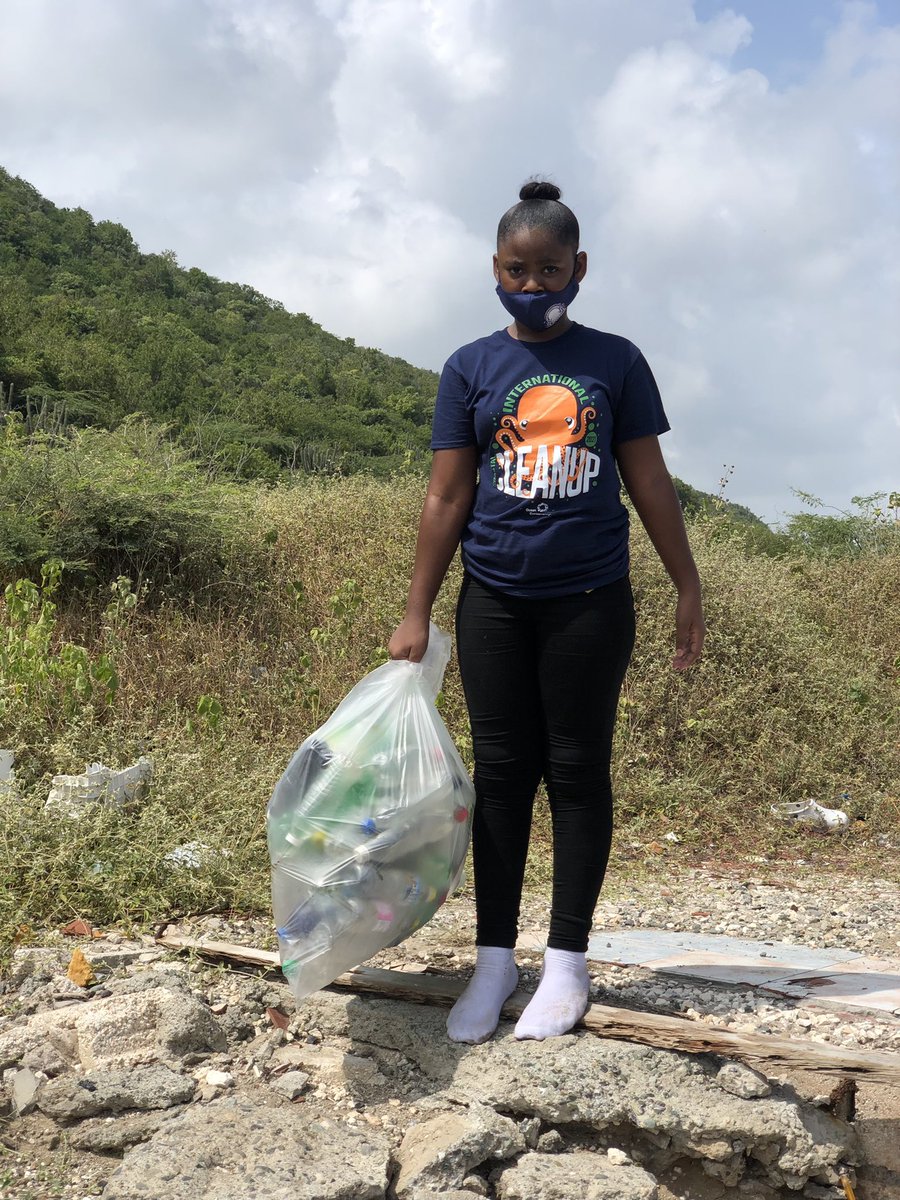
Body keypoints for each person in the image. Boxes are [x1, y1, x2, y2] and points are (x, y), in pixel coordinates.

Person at [388, 180, 705, 1044]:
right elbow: (447, 497)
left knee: (575, 770)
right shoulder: (469, 367)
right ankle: (494, 964)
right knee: (500, 777)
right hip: (492, 598)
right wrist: (417, 610)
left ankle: (566, 965)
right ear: (495, 268)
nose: (533, 286)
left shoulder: (617, 361)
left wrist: (687, 583)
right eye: (517, 270)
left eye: (550, 269)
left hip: (590, 602)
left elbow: (647, 480)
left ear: (580, 269)